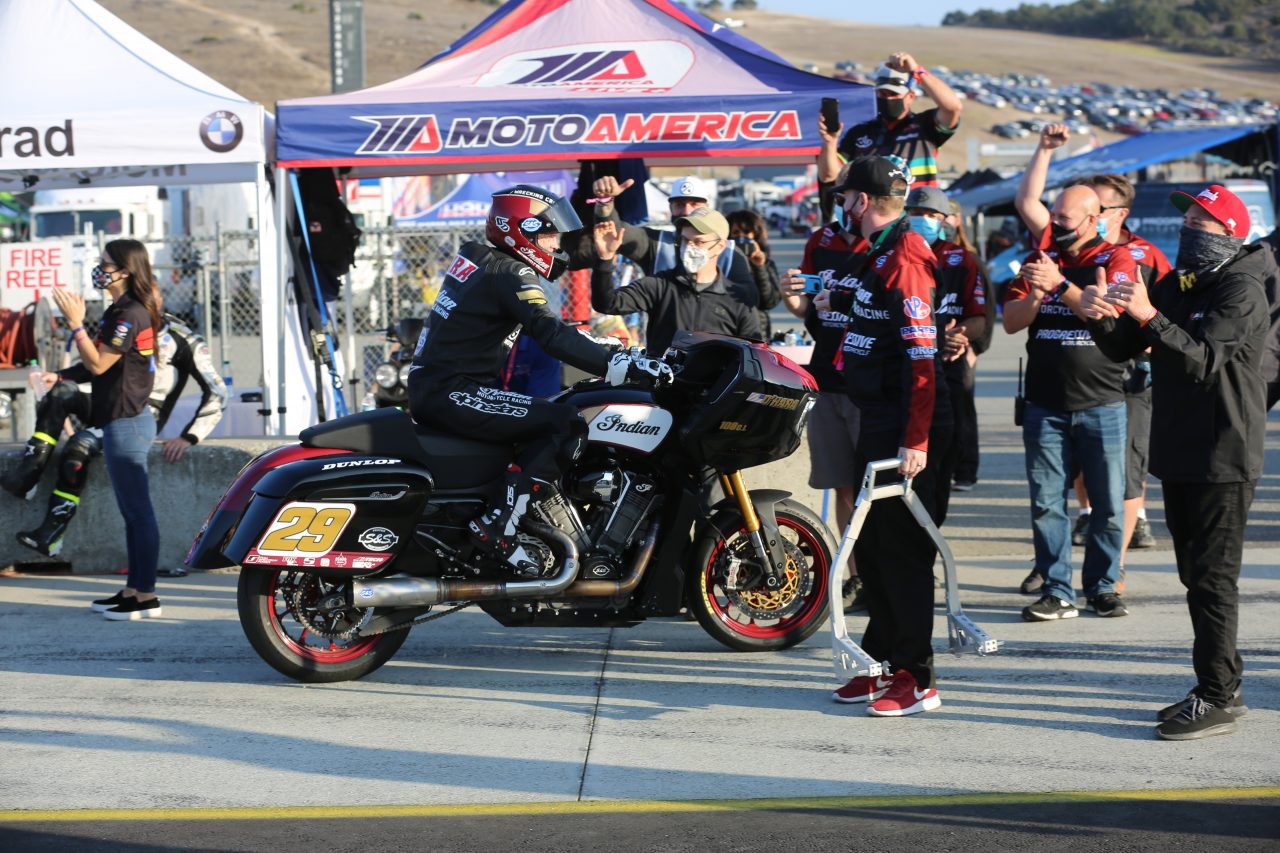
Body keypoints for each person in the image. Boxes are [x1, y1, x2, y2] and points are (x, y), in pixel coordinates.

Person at [1081, 184, 1269, 740]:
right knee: (1195, 578)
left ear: (1229, 233)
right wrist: (1103, 315)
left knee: (1212, 582)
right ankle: (1219, 684)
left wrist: (1146, 313)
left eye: (1199, 220)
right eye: (1185, 217)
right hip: (1184, 453)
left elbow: (1202, 360)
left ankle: (1217, 695)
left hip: (1224, 456)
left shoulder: (1242, 286)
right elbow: (1125, 348)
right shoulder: (1182, 283)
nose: (1187, 227)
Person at [408, 185, 664, 573]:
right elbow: (551, 334)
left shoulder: (479, 256)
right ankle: (499, 526)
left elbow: (555, 305)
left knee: (558, 408)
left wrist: (615, 350)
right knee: (566, 424)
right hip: (453, 391)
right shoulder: (510, 272)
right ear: (519, 231)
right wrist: (617, 364)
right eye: (547, 233)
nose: (556, 242)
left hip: (443, 386)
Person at [815, 156, 948, 717]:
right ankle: (880, 661)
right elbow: (878, 316)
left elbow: (922, 361)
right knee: (871, 547)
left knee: (902, 554)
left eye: (846, 197)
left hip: (904, 426)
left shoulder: (908, 258)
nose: (841, 205)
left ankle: (916, 678)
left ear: (862, 201)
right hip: (875, 418)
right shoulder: (879, 254)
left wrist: (915, 440)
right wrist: (840, 302)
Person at [1014, 125, 1172, 579]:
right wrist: (1044, 149)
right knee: (1064, 489)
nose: (1075, 216)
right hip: (1057, 390)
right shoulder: (1058, 244)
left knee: (1119, 481)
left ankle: (1110, 572)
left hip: (1126, 381)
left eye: (1096, 206)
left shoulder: (1139, 254)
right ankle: (1054, 571)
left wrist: (1061, 288)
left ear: (1110, 213)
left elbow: (1114, 312)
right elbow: (1028, 204)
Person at [1003, 183, 1138, 622]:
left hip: (1104, 403)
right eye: (1054, 215)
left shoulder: (1114, 258)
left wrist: (1059, 285)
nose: (1056, 223)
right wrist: (1039, 293)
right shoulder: (1038, 260)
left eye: (1064, 218)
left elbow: (1109, 314)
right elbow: (1010, 322)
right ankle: (1057, 590)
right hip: (1045, 404)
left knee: (1108, 504)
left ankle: (1103, 587)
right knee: (1046, 503)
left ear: (1092, 220)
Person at [3, 312, 226, 559]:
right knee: (60, 392)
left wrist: (190, 436)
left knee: (80, 444)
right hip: (108, 400)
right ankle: (28, 476)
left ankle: (51, 533)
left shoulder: (183, 338)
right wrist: (61, 376)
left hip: (141, 415)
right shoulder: (123, 319)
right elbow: (101, 363)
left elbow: (217, 391)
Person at [49, 240, 163, 620]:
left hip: (127, 421)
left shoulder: (129, 312)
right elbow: (102, 366)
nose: (100, 269)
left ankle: (146, 595)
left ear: (126, 270)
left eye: (106, 263)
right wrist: (58, 376)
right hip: (123, 418)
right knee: (133, 514)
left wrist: (76, 324)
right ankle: (135, 589)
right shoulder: (123, 309)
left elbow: (98, 364)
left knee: (139, 513)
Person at [780, 166, 871, 611]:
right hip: (829, 380)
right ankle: (856, 576)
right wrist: (791, 296)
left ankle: (883, 570)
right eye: (840, 197)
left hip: (871, 384)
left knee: (877, 486)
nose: (845, 204)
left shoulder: (892, 242)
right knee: (842, 486)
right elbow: (807, 307)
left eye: (850, 195)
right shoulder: (821, 240)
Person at [579, 174, 764, 314]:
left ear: (708, 206)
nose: (687, 211)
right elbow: (615, 232)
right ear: (670, 208)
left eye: (694, 204)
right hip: (666, 351)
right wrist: (605, 203)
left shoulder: (731, 253)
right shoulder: (655, 244)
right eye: (679, 204)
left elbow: (749, 302)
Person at [906, 185, 985, 509]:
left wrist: (963, 335)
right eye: (915, 214)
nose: (922, 220)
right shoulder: (894, 255)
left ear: (944, 220)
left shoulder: (961, 259)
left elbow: (979, 317)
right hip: (906, 364)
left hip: (948, 365)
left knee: (946, 443)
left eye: (930, 215)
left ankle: (944, 492)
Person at [591, 207, 761, 357]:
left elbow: (754, 354)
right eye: (685, 240)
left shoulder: (738, 298)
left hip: (717, 390)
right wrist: (604, 260)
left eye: (699, 242)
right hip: (663, 387)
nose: (690, 247)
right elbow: (607, 304)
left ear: (720, 246)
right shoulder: (661, 285)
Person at [817, 52, 963, 212]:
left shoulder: (925, 126)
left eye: (894, 94)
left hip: (917, 216)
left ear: (910, 97)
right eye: (882, 94)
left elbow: (953, 108)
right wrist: (829, 142)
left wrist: (916, 70)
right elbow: (828, 176)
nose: (888, 99)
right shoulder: (859, 133)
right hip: (875, 223)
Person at [943, 199, 995, 490]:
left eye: (948, 217)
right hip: (936, 348)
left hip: (964, 347)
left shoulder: (970, 259)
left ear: (958, 220)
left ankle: (966, 470)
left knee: (962, 411)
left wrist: (975, 347)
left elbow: (985, 311)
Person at [725, 208, 782, 340]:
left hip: (756, 332)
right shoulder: (721, 263)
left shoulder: (766, 263)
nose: (741, 237)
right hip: (726, 329)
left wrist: (759, 268)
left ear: (755, 235)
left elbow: (769, 301)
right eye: (735, 232)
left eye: (746, 232)